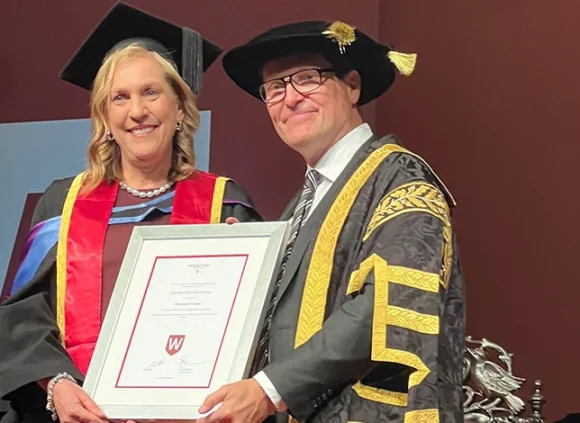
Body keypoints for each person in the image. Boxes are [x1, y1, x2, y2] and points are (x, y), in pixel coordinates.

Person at [0, 3, 261, 423]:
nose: (136, 111)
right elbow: (22, 316)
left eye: (151, 92)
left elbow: (259, 330)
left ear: (179, 108)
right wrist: (57, 384)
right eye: (119, 98)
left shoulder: (224, 203)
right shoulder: (62, 203)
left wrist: (244, 277)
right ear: (105, 116)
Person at [196, 21, 466, 423]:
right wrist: (247, 268)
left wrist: (271, 389)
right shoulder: (305, 201)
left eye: (307, 79)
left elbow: (383, 308)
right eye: (273, 88)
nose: (289, 98)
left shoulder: (401, 179)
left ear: (352, 85)